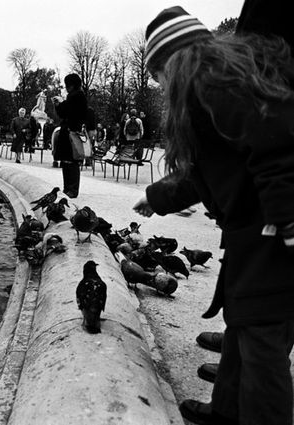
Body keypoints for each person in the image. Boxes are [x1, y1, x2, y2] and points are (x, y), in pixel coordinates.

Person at [134, 6, 294, 425]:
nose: (158, 85)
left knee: (262, 343)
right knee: (244, 324)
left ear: (173, 59)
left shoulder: (214, 84)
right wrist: (156, 197)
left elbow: (278, 146)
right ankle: (225, 412)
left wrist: (288, 222)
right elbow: (203, 172)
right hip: (255, 228)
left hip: (273, 227)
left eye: (157, 74)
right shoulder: (214, 89)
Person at [53, 73, 87, 198]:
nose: (66, 87)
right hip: (72, 131)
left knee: (70, 162)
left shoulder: (74, 96)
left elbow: (64, 112)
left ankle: (70, 188)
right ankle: (70, 188)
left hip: (70, 132)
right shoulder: (79, 95)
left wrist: (59, 104)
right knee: (70, 161)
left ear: (71, 85)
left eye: (67, 85)